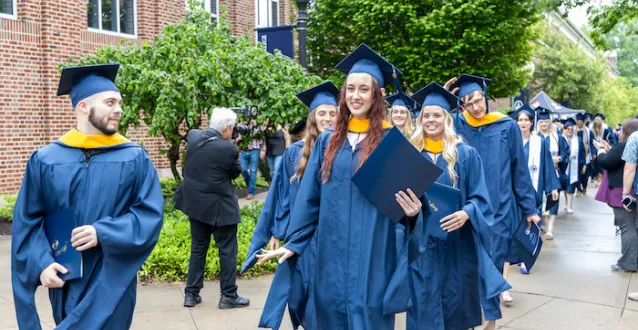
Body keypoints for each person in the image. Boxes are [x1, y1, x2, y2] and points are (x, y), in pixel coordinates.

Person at [255, 43, 426, 329]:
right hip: (330, 258)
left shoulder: (391, 143)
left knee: (368, 317)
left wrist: (413, 213)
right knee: (330, 315)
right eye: (350, 89)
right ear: (343, 94)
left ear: (377, 94)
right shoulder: (327, 142)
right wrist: (294, 245)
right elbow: (310, 200)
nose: (356, 96)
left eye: (363, 89)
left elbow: (412, 212)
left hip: (373, 258)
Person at [11, 64, 164, 330]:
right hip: (66, 277)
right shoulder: (46, 160)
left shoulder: (134, 157)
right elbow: (28, 219)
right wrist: (42, 264)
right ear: (83, 106)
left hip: (112, 277)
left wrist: (102, 232)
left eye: (119, 102)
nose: (118, 109)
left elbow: (149, 214)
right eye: (110, 102)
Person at [407, 82, 509, 330]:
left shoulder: (465, 154)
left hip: (457, 248)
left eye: (437, 115)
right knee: (423, 311)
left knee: (456, 309)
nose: (431, 120)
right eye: (426, 115)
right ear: (420, 119)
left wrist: (466, 213)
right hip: (422, 250)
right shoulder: (410, 155)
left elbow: (481, 199)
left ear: (447, 118)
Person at [241, 81, 339, 330]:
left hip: (331, 235)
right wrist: (276, 230)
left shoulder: (343, 151)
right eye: (322, 113)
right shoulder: (295, 153)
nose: (327, 118)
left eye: (332, 113)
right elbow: (281, 194)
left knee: (323, 297)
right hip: (301, 234)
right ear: (313, 117)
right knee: (297, 296)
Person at [446, 74, 538, 329]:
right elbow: (431, 123)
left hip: (498, 208)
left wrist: (529, 208)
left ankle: (491, 319)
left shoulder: (506, 125)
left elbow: (519, 168)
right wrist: (445, 99)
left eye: (478, 100)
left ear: (485, 96)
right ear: (461, 105)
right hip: (466, 208)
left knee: (494, 263)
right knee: (467, 266)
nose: (476, 107)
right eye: (467, 103)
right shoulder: (456, 124)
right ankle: (469, 317)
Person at [173, 107, 250, 309]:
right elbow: (235, 173)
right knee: (227, 251)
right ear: (227, 128)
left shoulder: (193, 136)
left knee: (198, 249)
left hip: (195, 205)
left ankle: (191, 295)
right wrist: (234, 145)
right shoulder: (229, 148)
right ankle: (228, 296)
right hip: (220, 208)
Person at [510, 106, 560, 276]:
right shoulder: (510, 141)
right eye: (520, 120)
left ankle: (526, 259)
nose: (523, 123)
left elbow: (547, 166)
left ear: (532, 123)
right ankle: (515, 255)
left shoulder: (540, 142)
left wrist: (553, 186)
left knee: (531, 224)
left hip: (533, 191)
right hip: (513, 192)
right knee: (516, 225)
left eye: (526, 120)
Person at [595, 119, 638, 272]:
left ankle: (628, 262)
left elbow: (607, 162)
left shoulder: (626, 144)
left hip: (623, 191)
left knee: (627, 227)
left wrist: (600, 150)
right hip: (632, 190)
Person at [537, 110, 570, 240]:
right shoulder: (535, 137)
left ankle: (550, 229)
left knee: (553, 198)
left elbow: (565, 153)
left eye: (546, 121)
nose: (544, 124)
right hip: (538, 174)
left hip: (554, 172)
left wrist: (560, 159)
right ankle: (543, 223)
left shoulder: (558, 138)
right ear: (538, 123)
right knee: (540, 199)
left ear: (550, 122)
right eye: (541, 121)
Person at [562, 118, 586, 214]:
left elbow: (583, 153)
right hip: (563, 167)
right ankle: (566, 201)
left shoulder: (578, 140)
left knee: (571, 185)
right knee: (564, 187)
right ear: (564, 129)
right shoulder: (561, 139)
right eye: (568, 129)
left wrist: (584, 164)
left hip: (575, 167)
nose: (570, 131)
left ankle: (569, 206)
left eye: (572, 129)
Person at [240, 119, 266, 200]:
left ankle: (251, 192)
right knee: (243, 170)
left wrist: (263, 150)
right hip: (244, 149)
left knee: (253, 171)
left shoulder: (258, 123)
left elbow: (262, 137)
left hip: (255, 149)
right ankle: (250, 187)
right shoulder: (241, 122)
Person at [591, 113, 618, 187]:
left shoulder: (606, 128)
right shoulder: (591, 129)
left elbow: (612, 139)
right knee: (595, 165)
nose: (597, 122)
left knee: (602, 165)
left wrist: (610, 147)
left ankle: (601, 180)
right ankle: (597, 179)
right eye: (596, 120)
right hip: (594, 149)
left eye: (598, 120)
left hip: (604, 149)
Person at [576, 113, 595, 196]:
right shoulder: (573, 130)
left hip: (586, 155)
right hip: (576, 156)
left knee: (585, 174)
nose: (578, 123)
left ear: (583, 122)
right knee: (577, 173)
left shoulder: (588, 131)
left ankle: (584, 188)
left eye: (580, 121)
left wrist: (594, 153)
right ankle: (578, 189)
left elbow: (592, 143)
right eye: (577, 121)